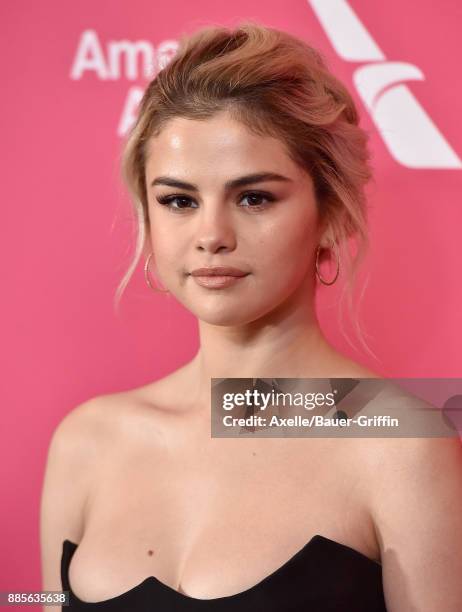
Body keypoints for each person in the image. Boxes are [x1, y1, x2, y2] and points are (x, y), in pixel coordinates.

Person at [40, 20, 462, 611]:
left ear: (333, 214)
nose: (211, 235)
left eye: (254, 197)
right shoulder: (87, 441)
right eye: (179, 201)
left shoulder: (400, 447)